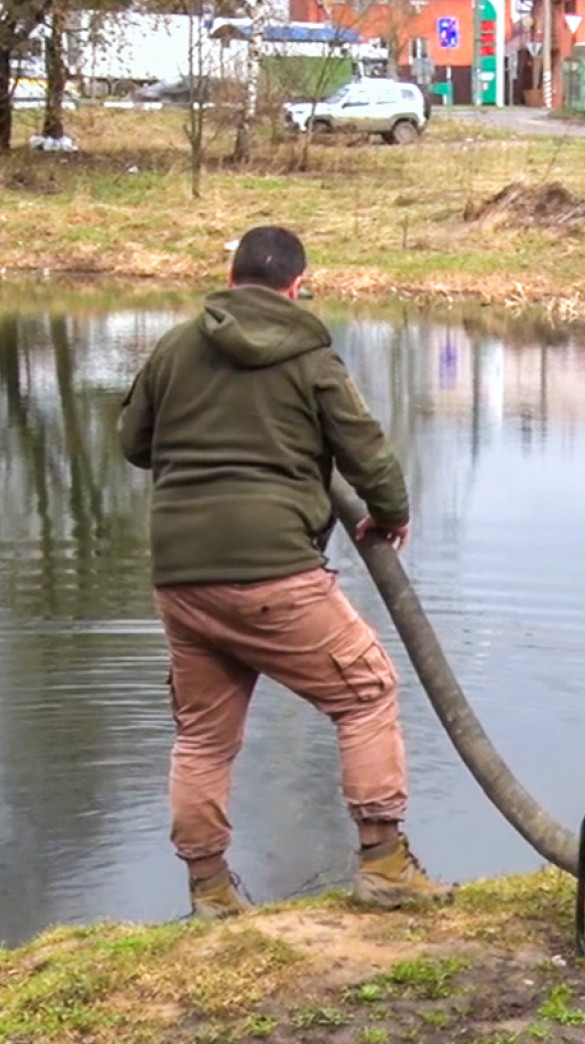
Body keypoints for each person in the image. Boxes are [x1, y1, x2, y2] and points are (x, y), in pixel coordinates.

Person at [118, 225, 454, 920]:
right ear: (297, 286)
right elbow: (367, 452)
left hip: (181, 575)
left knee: (203, 736)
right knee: (366, 693)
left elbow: (134, 443)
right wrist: (389, 514)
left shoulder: (175, 347)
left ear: (230, 278)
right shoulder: (311, 357)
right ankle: (384, 865)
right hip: (272, 570)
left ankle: (210, 892)